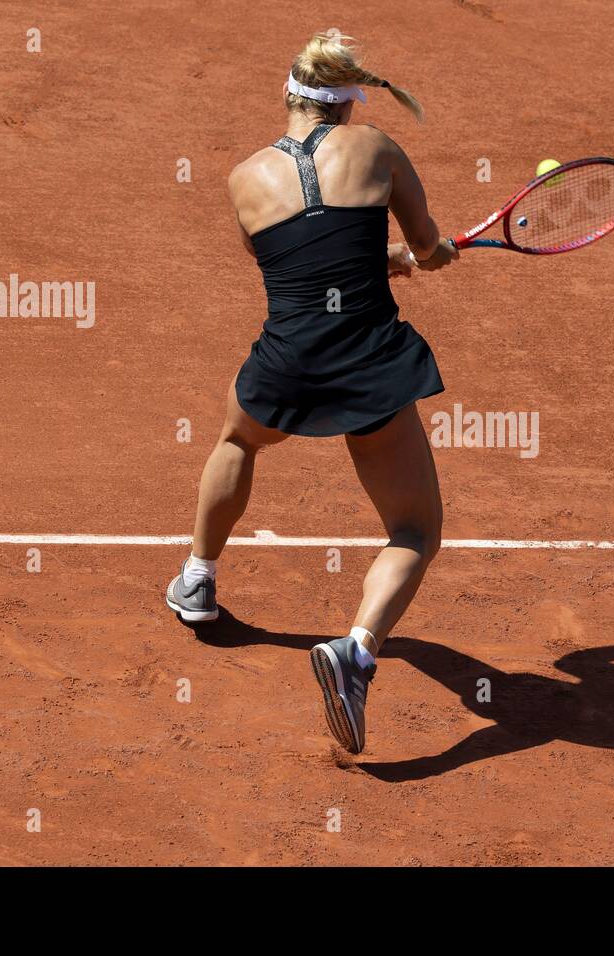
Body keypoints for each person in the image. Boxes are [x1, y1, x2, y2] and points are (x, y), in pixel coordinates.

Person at [165, 31, 458, 754]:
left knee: (238, 438)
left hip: (288, 360)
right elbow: (425, 244)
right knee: (416, 531)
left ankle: (197, 579)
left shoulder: (242, 179)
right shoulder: (380, 150)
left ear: (289, 96)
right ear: (351, 100)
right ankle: (356, 652)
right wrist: (424, 253)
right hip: (369, 364)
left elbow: (297, 258)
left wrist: (373, 256)